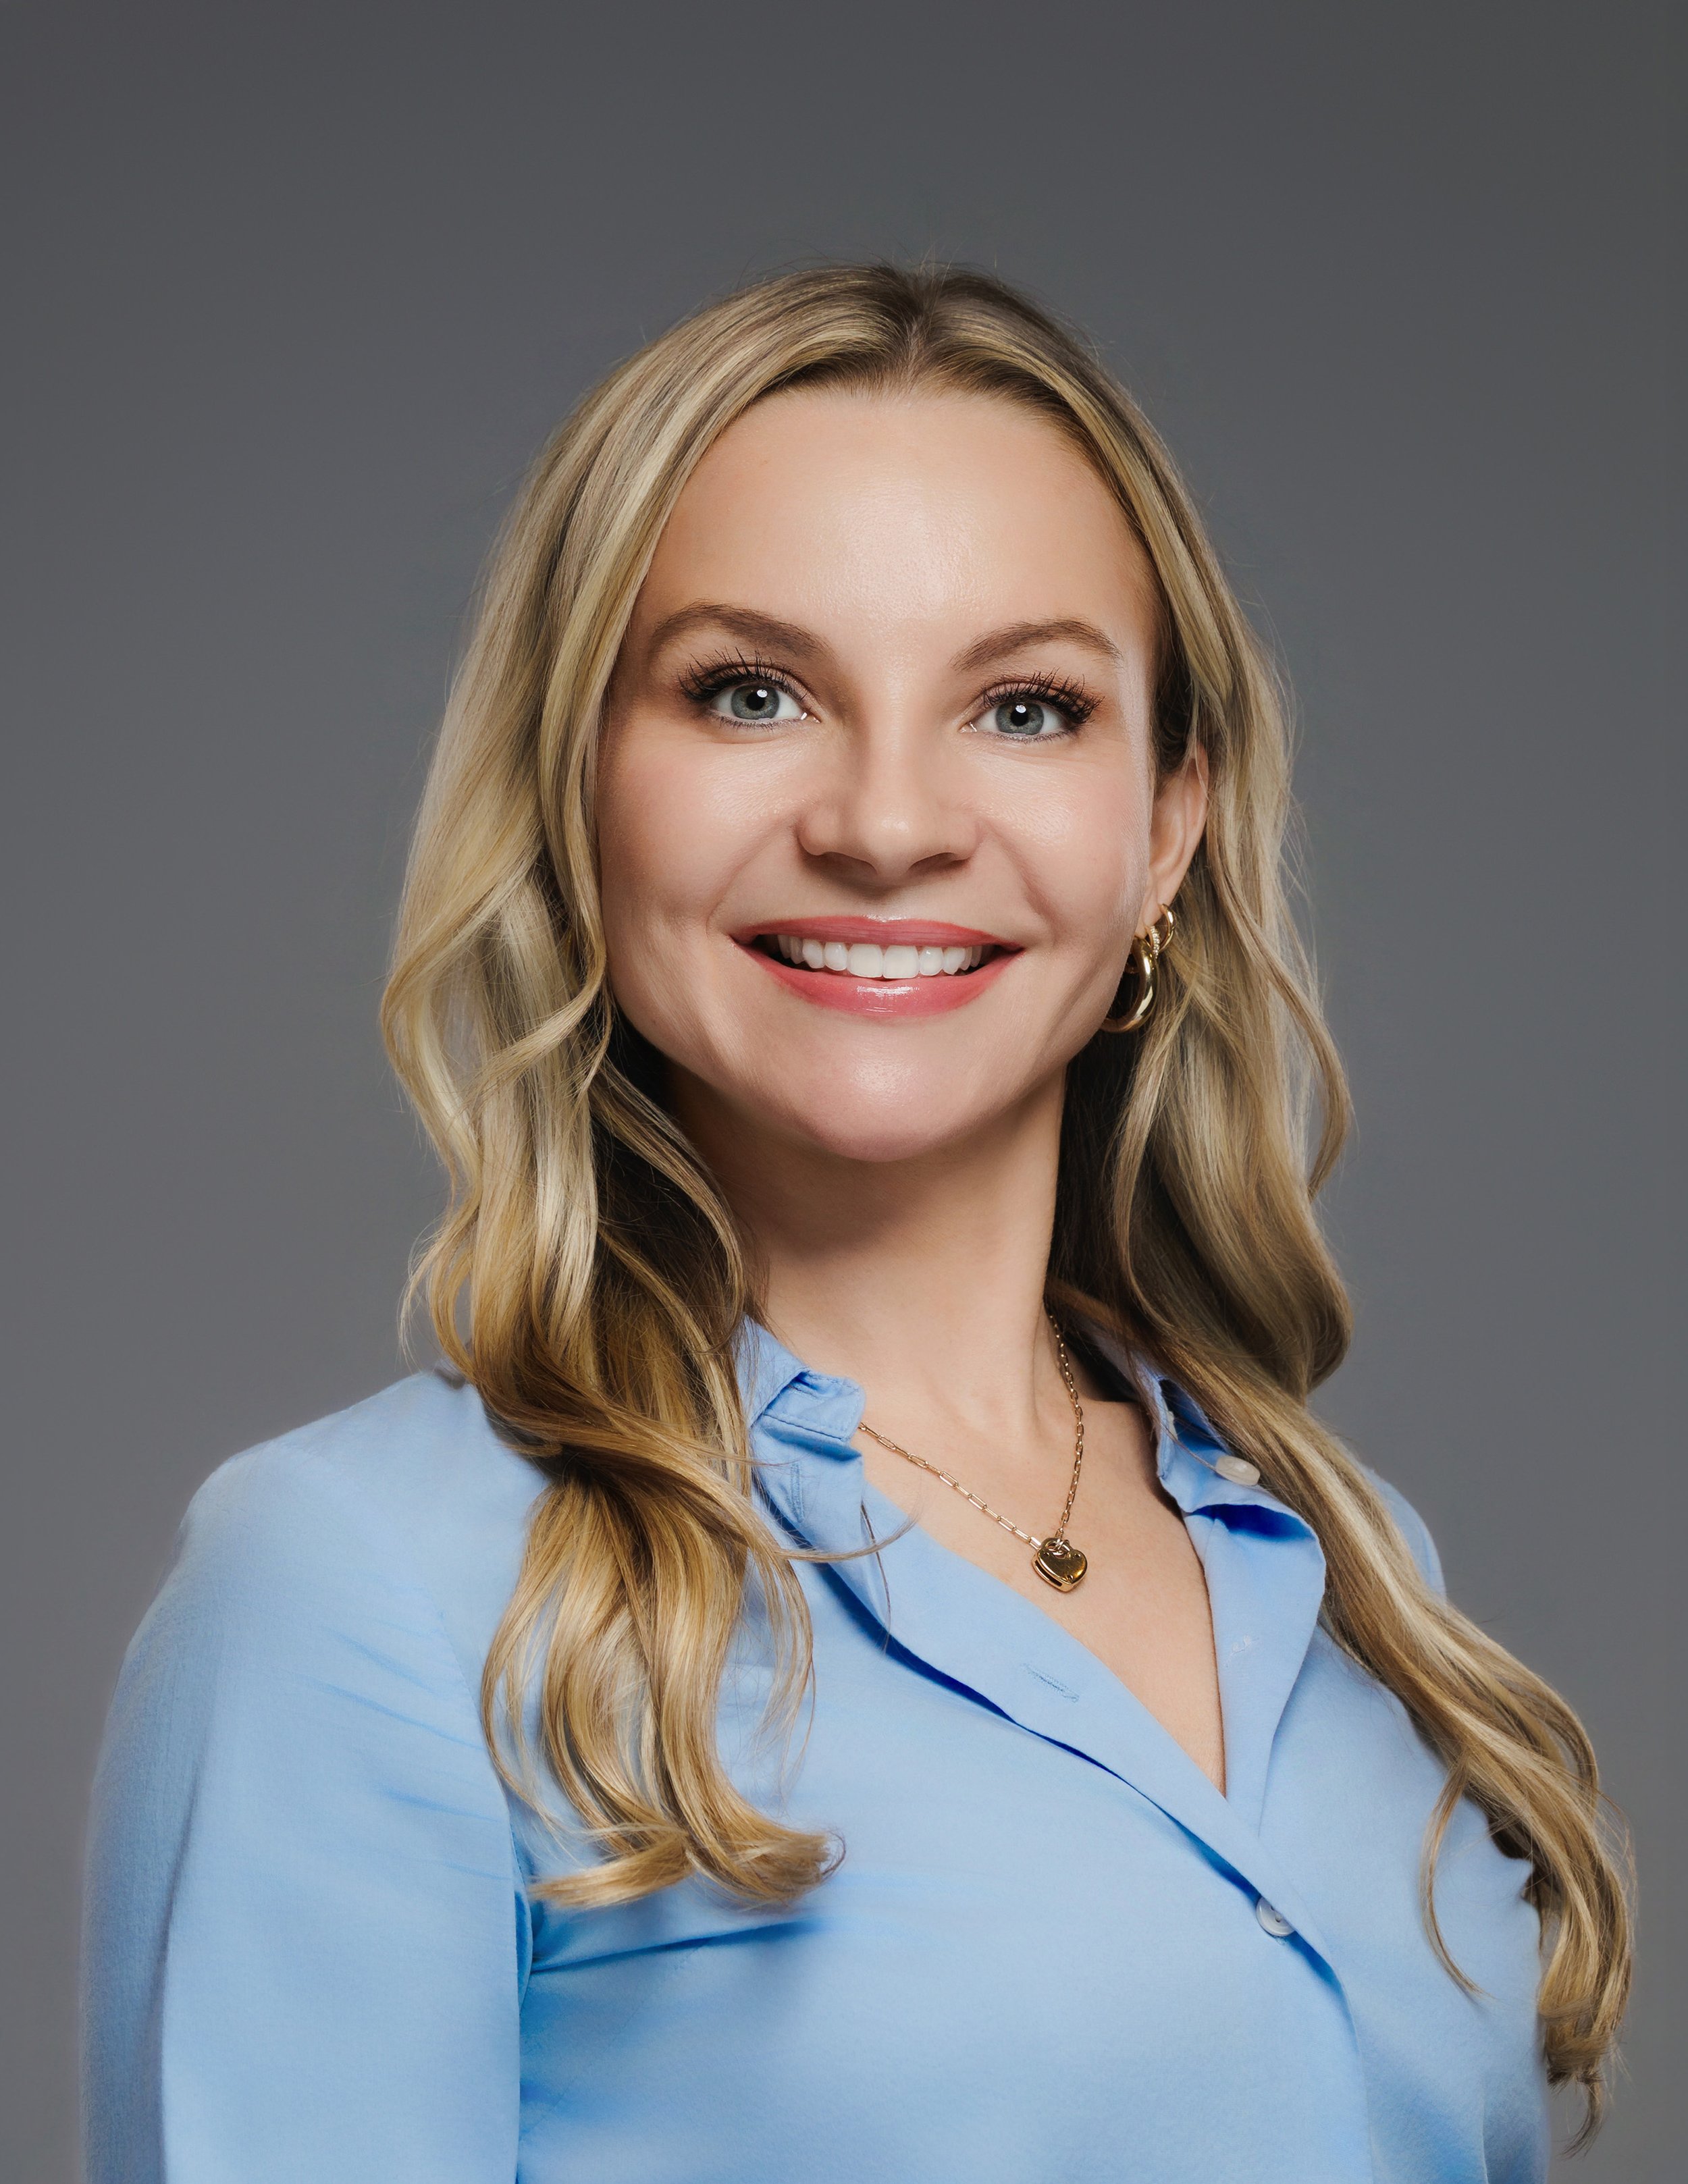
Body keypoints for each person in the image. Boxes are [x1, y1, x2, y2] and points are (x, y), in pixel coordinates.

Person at [82, 263, 1630, 2184]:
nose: (887, 821)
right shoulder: (361, 1594)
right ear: (578, 793)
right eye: (751, 691)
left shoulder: (1340, 1563)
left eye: (1024, 705)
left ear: (1166, 828)